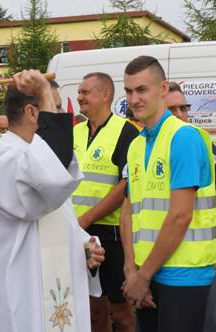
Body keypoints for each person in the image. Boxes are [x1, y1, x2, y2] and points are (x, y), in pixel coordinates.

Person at [0, 69, 105, 332]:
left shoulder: (36, 159)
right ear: (32, 113)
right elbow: (50, 182)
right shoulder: (4, 160)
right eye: (56, 108)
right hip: (22, 296)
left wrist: (83, 245)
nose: (64, 118)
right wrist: (42, 89)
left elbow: (55, 214)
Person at [120, 56, 216, 332]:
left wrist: (143, 275)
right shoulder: (136, 145)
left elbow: (180, 216)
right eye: (128, 91)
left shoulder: (184, 138)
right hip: (145, 272)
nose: (134, 98)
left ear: (163, 89)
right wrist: (131, 270)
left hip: (184, 274)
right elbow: (128, 212)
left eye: (142, 89)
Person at [165, 82, 216, 332]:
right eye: (172, 109)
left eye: (183, 108)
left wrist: (212, 250)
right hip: (156, 268)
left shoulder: (200, 142)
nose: (180, 114)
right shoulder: (143, 146)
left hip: (196, 270)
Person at [72, 72, 138, 332]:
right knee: (91, 308)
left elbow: (126, 184)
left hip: (109, 235)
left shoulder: (126, 131)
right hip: (77, 233)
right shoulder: (75, 132)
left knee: (120, 311)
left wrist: (88, 218)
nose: (79, 97)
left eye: (85, 92)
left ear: (105, 95)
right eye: (79, 92)